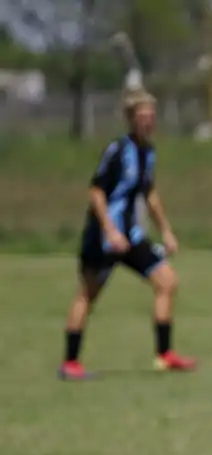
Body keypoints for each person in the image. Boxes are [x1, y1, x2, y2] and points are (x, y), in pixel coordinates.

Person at [58, 88, 195, 381]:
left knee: (167, 282)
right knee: (88, 294)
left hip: (130, 236)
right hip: (104, 237)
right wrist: (109, 230)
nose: (148, 121)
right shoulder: (118, 150)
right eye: (143, 116)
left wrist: (167, 231)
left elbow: (149, 193)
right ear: (131, 119)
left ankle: (165, 355)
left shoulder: (149, 152)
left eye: (152, 116)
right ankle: (70, 363)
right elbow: (96, 191)